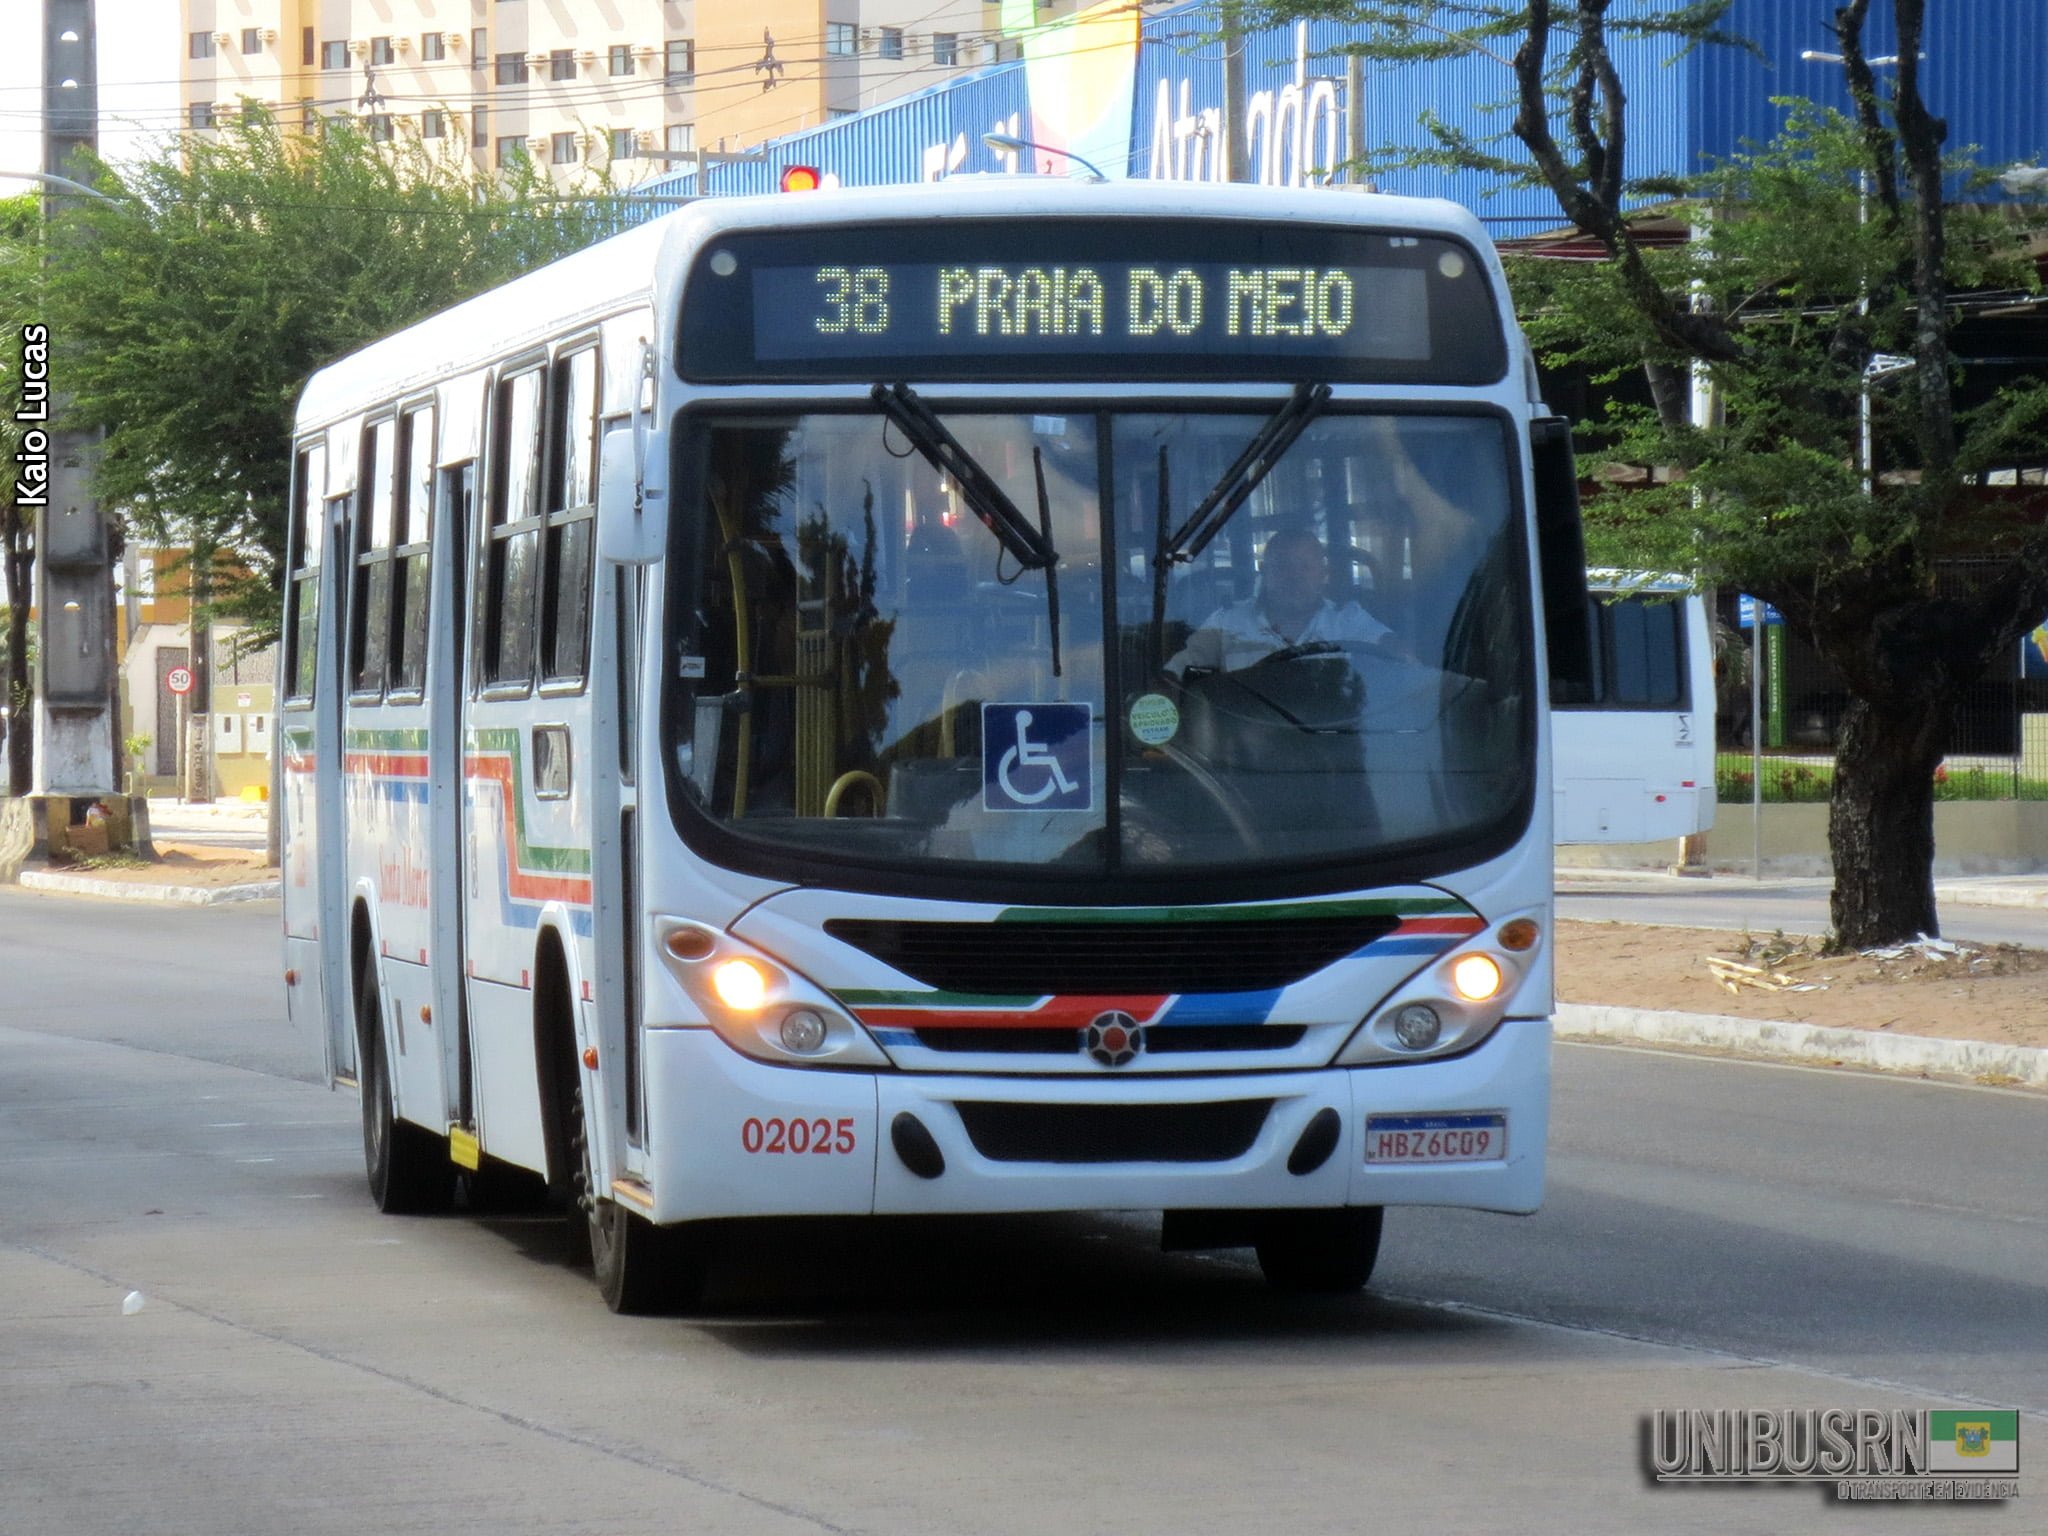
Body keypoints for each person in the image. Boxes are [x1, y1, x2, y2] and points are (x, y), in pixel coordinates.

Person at [1168, 526, 1394, 676]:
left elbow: (1399, 657)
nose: (1294, 577)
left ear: (1324, 573)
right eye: (1282, 567)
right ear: (1264, 572)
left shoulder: (1348, 620)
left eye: (1305, 567)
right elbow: (1175, 679)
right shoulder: (1227, 623)